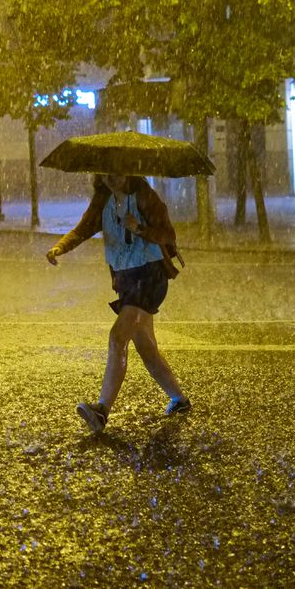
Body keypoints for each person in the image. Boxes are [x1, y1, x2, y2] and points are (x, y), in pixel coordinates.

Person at [46, 173, 190, 433]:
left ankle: (101, 410)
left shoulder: (144, 196)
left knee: (117, 336)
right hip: (126, 279)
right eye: (105, 171)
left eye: (116, 169)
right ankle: (180, 400)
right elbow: (83, 229)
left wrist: (139, 229)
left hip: (150, 275)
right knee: (147, 349)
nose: (111, 176)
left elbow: (168, 234)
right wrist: (60, 247)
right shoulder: (103, 200)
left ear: (127, 169)